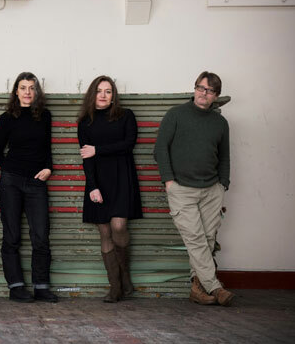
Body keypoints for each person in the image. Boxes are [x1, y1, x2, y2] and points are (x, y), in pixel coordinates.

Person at [154, 71, 234, 306]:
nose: (203, 93)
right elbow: (160, 149)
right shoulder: (176, 115)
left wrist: (223, 184)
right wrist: (169, 182)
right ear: (195, 89)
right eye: (200, 88)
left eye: (209, 91)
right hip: (181, 189)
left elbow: (225, 158)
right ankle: (216, 288)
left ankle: (197, 289)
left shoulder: (220, 123)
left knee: (208, 239)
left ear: (215, 96)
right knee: (196, 239)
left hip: (211, 189)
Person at [0, 72, 58, 303]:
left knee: (41, 235)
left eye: (31, 88)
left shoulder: (45, 116)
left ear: (36, 91)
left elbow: (47, 147)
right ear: (16, 91)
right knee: (12, 236)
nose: (27, 92)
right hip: (11, 183)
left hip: (37, 182)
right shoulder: (8, 117)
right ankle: (16, 287)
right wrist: (11, 169)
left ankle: (41, 286)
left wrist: (48, 168)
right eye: (23, 87)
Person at [77, 76, 142, 302]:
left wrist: (98, 150)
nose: (103, 95)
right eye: (99, 91)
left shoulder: (126, 116)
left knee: (118, 225)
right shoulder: (85, 121)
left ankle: (125, 275)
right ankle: (115, 286)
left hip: (122, 177)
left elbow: (128, 144)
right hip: (98, 182)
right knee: (105, 233)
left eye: (108, 91)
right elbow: (87, 158)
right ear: (92, 94)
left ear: (114, 94)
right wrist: (92, 187)